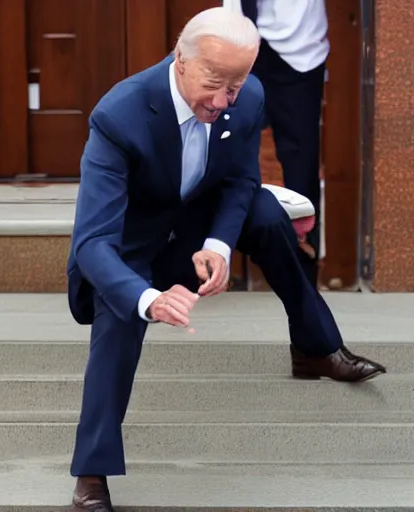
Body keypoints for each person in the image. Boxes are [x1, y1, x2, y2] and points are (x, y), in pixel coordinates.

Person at [65, 8, 385, 511]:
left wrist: (217, 244)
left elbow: (240, 181)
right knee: (118, 316)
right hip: (129, 250)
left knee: (264, 213)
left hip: (194, 229)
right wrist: (147, 298)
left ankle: (315, 348)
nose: (222, 101)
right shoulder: (118, 115)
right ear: (181, 61)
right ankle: (92, 473)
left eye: (235, 86)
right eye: (214, 84)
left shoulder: (248, 96)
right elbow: (92, 243)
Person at [223, 0, 329, 286]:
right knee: (226, 149)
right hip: (237, 36)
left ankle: (302, 270)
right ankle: (216, 258)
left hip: (299, 44)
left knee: (300, 159)